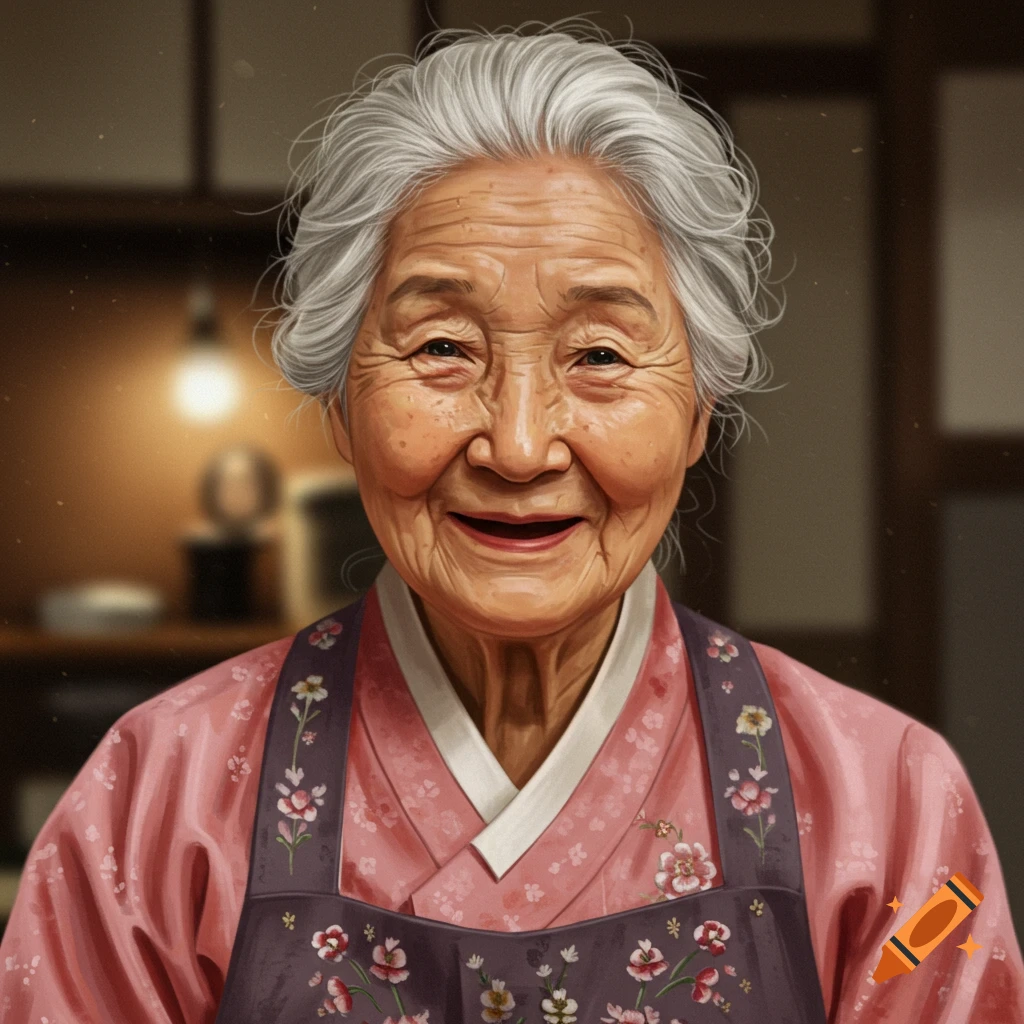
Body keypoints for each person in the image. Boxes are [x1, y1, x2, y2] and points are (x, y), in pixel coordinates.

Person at [2, 25, 1021, 1024]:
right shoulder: (159, 797)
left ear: (700, 411)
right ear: (341, 408)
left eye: (602, 355)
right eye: (442, 345)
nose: (520, 445)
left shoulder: (886, 804)